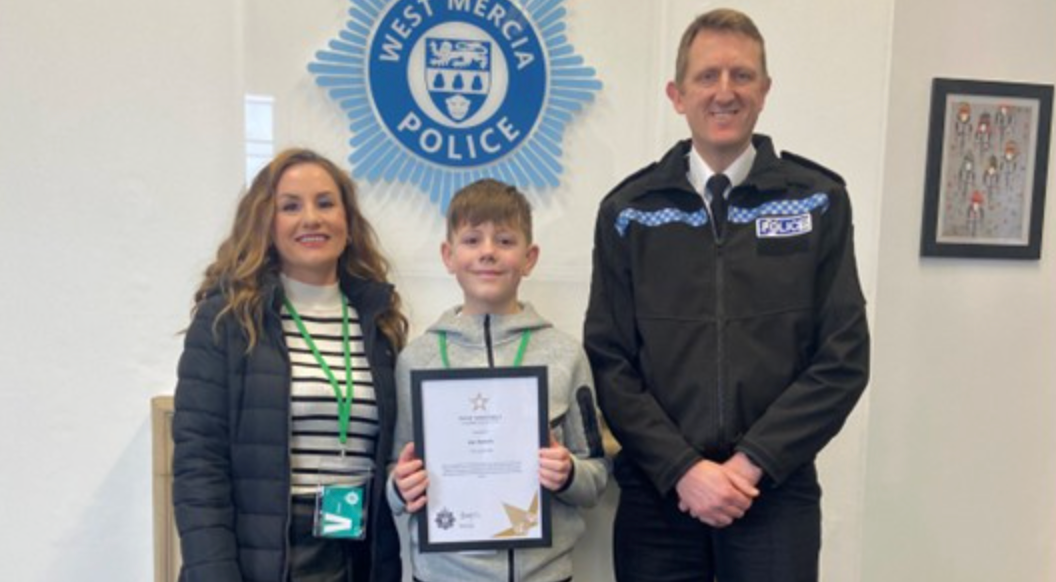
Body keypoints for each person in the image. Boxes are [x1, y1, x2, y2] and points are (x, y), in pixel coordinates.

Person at [584, 9, 870, 582]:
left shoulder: (818, 202)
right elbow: (610, 361)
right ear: (677, 95)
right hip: (660, 494)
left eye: (741, 75)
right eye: (706, 76)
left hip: (773, 491)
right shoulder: (628, 212)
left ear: (764, 91)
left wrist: (751, 463)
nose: (724, 91)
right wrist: (683, 469)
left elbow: (842, 358)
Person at [172, 148, 407, 582]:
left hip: (355, 553)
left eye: (326, 203)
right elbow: (199, 466)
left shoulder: (379, 321)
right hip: (264, 561)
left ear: (348, 222)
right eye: (291, 206)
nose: (311, 219)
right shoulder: (228, 319)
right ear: (266, 223)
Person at [388, 179, 608, 582]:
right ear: (448, 255)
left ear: (529, 258)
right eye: (472, 240)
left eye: (505, 241)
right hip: (443, 575)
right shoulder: (415, 360)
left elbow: (596, 473)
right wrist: (399, 487)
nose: (488, 251)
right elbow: (395, 470)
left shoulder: (565, 354)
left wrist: (569, 474)